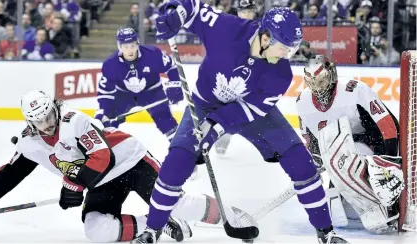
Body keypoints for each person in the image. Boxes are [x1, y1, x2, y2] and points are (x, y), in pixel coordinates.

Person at [131, 1, 349, 243]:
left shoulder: (281, 73)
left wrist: (214, 127)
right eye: (283, 47)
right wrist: (175, 13)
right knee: (176, 163)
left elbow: (249, 110)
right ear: (266, 38)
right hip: (205, 105)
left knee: (300, 162)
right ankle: (152, 230)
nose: (286, 54)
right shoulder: (226, 29)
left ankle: (326, 233)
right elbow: (191, 7)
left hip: (249, 112)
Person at [0, 90, 256, 243]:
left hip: (130, 161)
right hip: (99, 182)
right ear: (29, 122)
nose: (47, 123)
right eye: (39, 121)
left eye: (49, 115)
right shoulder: (30, 143)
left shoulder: (74, 120)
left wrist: (73, 184)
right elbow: (11, 172)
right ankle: (159, 224)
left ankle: (233, 217)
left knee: (177, 203)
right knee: (97, 230)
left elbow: (102, 157)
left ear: (54, 107)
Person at [296, 55, 404, 234]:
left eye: (321, 80)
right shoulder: (303, 102)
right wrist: (316, 162)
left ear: (331, 75)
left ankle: (384, 206)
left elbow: (387, 124)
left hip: (372, 145)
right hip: (339, 153)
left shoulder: (354, 90)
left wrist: (389, 161)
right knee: (339, 209)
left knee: (365, 172)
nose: (318, 87)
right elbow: (312, 141)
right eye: (312, 82)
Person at [94, 27, 183, 142]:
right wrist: (104, 110)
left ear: (138, 43)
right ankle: (102, 147)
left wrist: (175, 85)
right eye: (125, 47)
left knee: (165, 120)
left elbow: (171, 67)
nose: (130, 50)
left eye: (132, 45)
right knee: (108, 121)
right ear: (119, 46)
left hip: (152, 92)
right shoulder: (110, 64)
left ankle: (181, 147)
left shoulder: (152, 54)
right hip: (124, 95)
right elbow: (105, 91)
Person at [213, 0, 258, 155]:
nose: (246, 15)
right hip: (230, 77)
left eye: (249, 11)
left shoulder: (261, 32)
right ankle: (223, 135)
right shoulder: (228, 29)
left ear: (254, 12)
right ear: (238, 12)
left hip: (252, 78)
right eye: (243, 11)